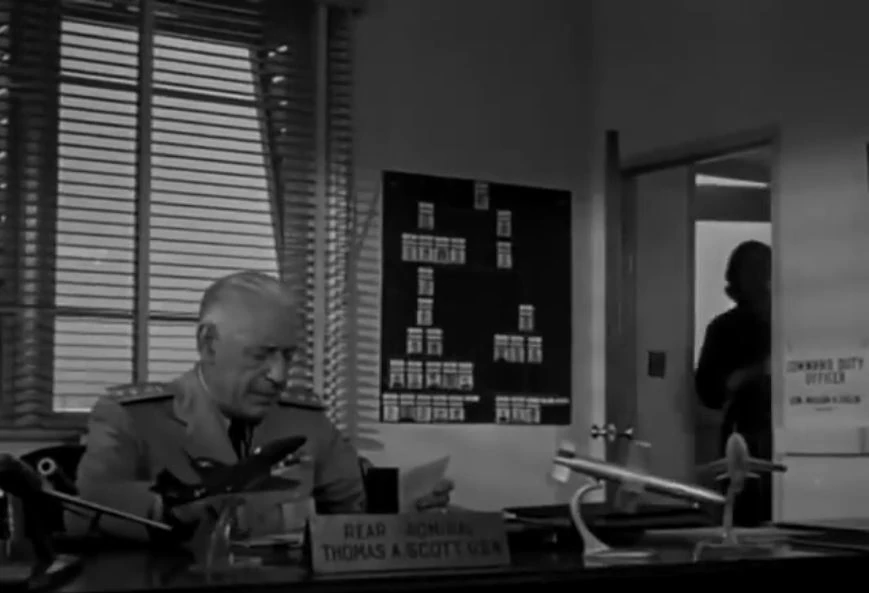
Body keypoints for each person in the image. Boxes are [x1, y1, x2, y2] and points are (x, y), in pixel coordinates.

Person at [73, 271, 453, 543]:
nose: (279, 375)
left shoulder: (305, 420)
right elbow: (83, 515)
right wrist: (183, 506)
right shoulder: (133, 417)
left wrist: (403, 500)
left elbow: (353, 506)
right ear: (208, 344)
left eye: (288, 356)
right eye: (261, 355)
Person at [694, 240, 772, 526]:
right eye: (753, 272)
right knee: (745, 518)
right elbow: (709, 393)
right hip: (745, 437)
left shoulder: (792, 322)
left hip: (793, 434)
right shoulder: (723, 328)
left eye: (764, 271)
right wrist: (751, 374)